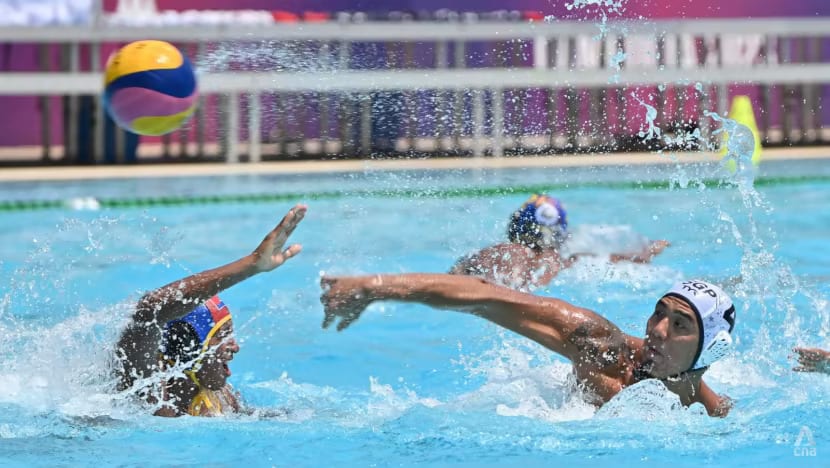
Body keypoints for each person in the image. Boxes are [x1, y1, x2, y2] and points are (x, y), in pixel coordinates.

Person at [320, 275, 736, 417]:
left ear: (710, 349)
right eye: (658, 313)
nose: (657, 330)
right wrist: (376, 288)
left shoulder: (716, 415)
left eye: (679, 324)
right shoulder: (604, 351)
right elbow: (490, 296)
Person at [114, 204, 307, 417]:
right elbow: (149, 311)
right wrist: (251, 264)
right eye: (222, 335)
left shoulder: (222, 397)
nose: (235, 347)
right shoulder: (148, 392)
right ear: (187, 347)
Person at [449, 194, 670, 290]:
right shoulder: (563, 261)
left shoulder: (494, 254)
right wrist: (649, 251)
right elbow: (612, 261)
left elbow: (451, 276)